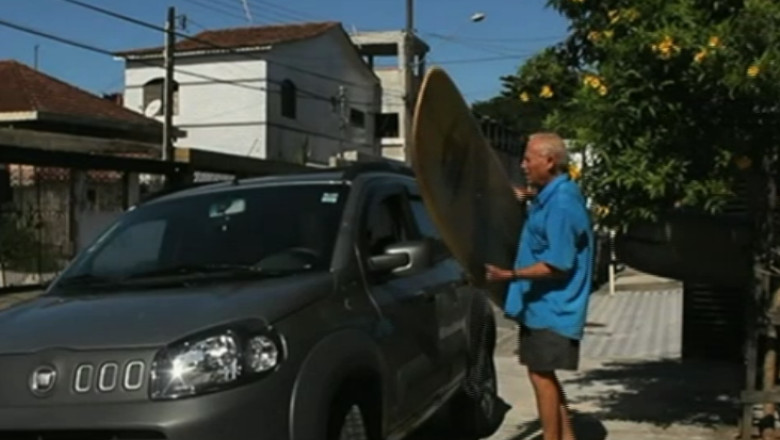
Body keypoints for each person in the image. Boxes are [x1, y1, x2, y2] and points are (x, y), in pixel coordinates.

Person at [485, 132, 594, 440]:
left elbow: (556, 264)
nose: (523, 164)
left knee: (540, 376)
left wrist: (508, 276)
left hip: (554, 308)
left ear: (549, 161)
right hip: (542, 307)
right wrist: (527, 196)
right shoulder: (552, 195)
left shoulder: (560, 204)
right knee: (545, 376)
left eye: (528, 159)